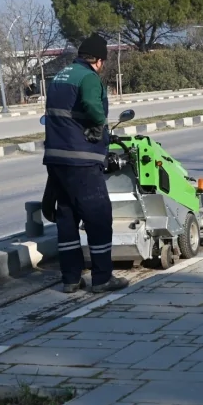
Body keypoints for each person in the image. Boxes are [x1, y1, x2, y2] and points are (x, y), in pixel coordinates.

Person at [42, 33, 129, 294]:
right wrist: (99, 125)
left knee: (67, 216)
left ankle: (70, 278)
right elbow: (92, 106)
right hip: (81, 158)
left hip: (57, 158)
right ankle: (102, 278)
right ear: (99, 60)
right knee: (98, 216)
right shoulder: (89, 78)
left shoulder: (60, 75)